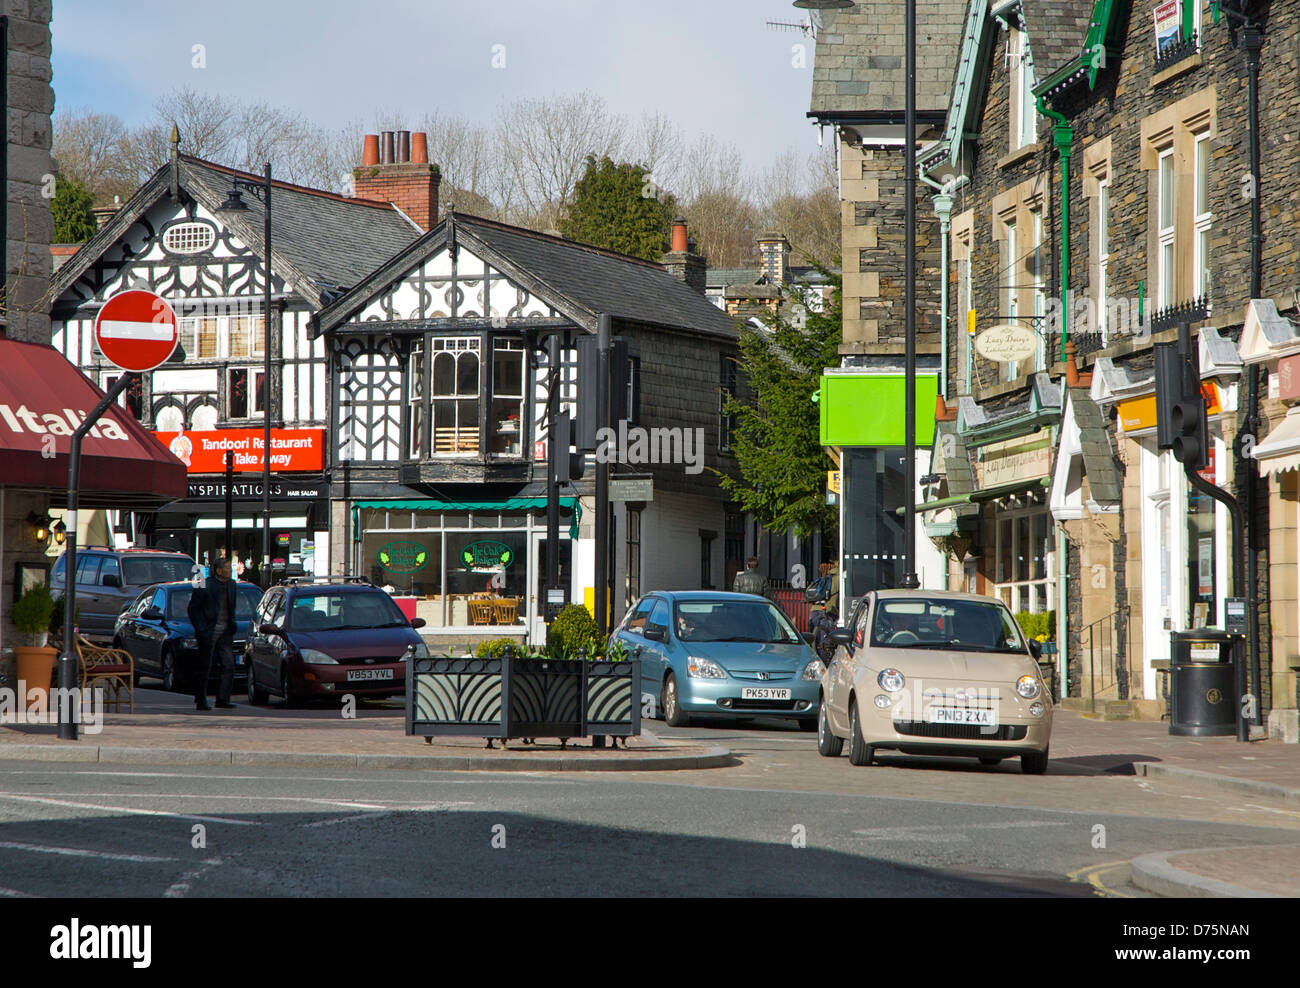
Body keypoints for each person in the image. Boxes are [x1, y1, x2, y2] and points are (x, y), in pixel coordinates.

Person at [187, 556, 239, 711]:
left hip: (225, 630)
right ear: (218, 570)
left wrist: (231, 623)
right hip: (209, 630)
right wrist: (201, 629)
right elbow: (193, 609)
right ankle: (201, 699)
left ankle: (223, 699)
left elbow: (231, 608)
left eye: (231, 568)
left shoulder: (232, 585)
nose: (230, 571)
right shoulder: (205, 585)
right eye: (228, 568)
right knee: (205, 666)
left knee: (228, 664)